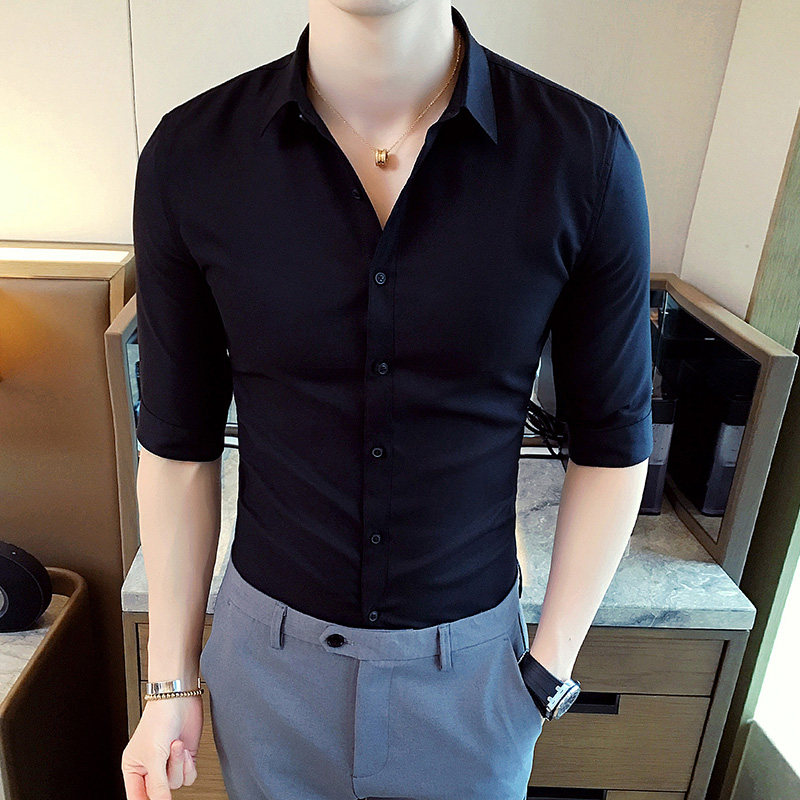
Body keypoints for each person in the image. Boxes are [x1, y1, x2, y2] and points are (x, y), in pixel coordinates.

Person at [121, 1, 653, 799]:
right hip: (266, 680)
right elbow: (176, 445)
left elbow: (614, 445)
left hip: (474, 686)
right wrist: (170, 683)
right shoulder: (192, 156)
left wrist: (547, 673)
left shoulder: (581, 157)